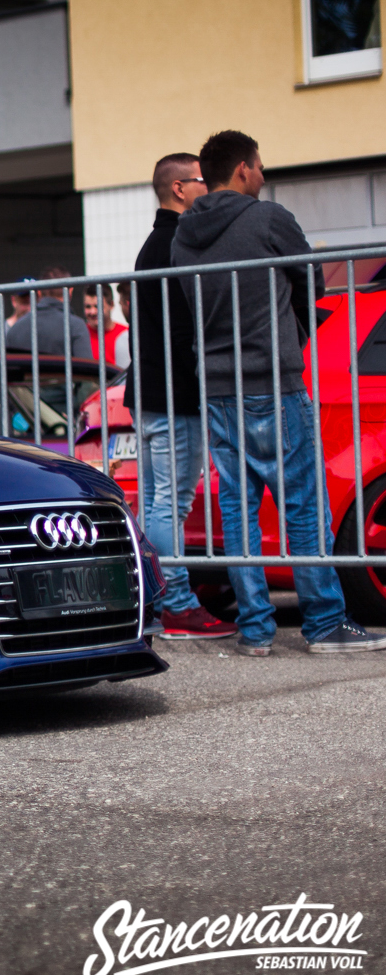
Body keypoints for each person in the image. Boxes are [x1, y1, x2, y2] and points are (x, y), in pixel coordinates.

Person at [172, 130, 386, 655]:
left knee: (239, 511)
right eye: (260, 167)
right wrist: (296, 335)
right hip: (273, 380)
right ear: (243, 169)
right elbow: (310, 283)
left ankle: (257, 630)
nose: (264, 177)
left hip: (217, 387)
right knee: (303, 505)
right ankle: (324, 624)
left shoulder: (183, 236)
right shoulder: (267, 219)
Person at [130, 152, 233, 639]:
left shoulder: (153, 244)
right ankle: (176, 602)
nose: (208, 188)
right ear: (179, 188)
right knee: (171, 503)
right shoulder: (177, 244)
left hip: (151, 392)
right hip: (174, 394)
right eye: (200, 181)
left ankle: (159, 601)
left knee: (157, 503)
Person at [0, 266, 93, 357]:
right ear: (70, 291)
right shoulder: (75, 326)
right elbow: (88, 371)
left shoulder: (15, 329)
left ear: (39, 293)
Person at [0, 282, 32, 347]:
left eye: (35, 302)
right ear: (14, 301)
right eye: (25, 303)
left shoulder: (42, 331)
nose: (30, 309)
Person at [83, 286, 126, 362]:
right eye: (88, 307)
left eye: (97, 306)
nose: (92, 312)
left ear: (111, 305)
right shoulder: (80, 333)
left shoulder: (125, 334)